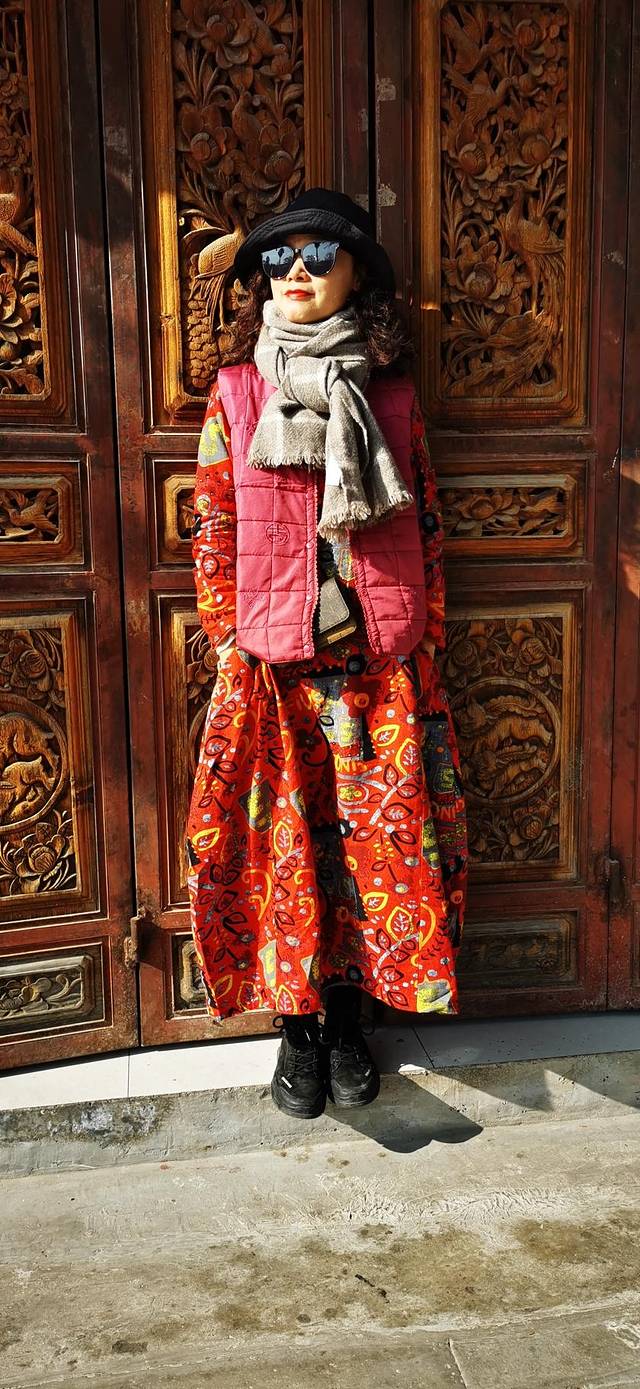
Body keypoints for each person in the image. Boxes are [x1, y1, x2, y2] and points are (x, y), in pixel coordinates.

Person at [185, 187, 467, 1121]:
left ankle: (349, 1022)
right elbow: (214, 523)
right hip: (274, 677)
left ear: (357, 277)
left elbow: (426, 523)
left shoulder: (390, 396)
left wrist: (422, 640)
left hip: (378, 670)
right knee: (287, 851)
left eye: (318, 255)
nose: (297, 272)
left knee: (368, 856)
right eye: (279, 258)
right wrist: (229, 642)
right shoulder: (237, 394)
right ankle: (297, 1030)